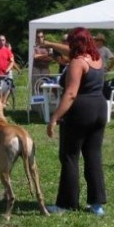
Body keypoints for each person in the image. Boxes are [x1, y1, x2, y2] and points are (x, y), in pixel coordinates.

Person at [46, 27, 108, 216]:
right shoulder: (97, 59)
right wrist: (47, 44)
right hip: (100, 108)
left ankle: (66, 203)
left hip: (81, 111)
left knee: (70, 156)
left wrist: (55, 117)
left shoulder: (76, 62)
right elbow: (71, 52)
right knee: (93, 156)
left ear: (75, 43)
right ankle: (96, 204)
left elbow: (71, 93)